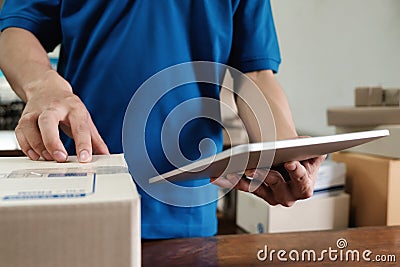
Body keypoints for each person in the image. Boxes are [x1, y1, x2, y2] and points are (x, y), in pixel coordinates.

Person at [0, 0, 325, 239]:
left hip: (185, 213)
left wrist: (284, 154)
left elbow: (254, 72)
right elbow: (16, 28)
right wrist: (41, 84)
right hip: (80, 200)